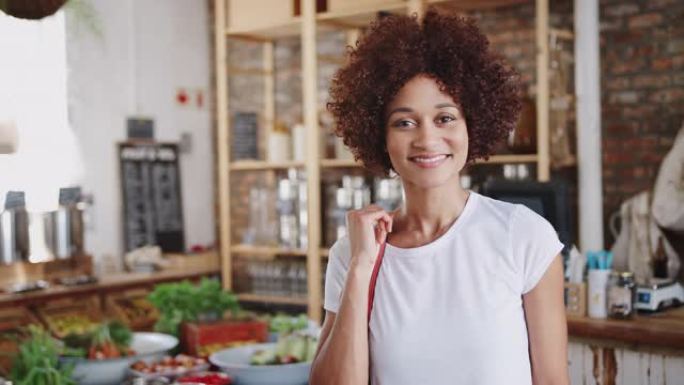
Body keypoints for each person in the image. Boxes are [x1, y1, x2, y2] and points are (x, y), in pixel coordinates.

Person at [309, 9, 569, 385]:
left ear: (471, 124)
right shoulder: (352, 254)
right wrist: (361, 267)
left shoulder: (524, 236)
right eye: (404, 122)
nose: (427, 139)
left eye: (445, 118)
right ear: (379, 136)